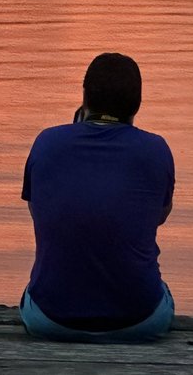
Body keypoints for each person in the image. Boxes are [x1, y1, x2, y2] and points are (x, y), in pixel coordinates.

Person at [19, 52, 175, 342]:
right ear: (138, 104)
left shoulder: (46, 143)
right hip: (140, 319)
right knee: (163, 295)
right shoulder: (156, 150)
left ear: (84, 97)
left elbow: (38, 211)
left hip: (50, 318)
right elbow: (159, 216)